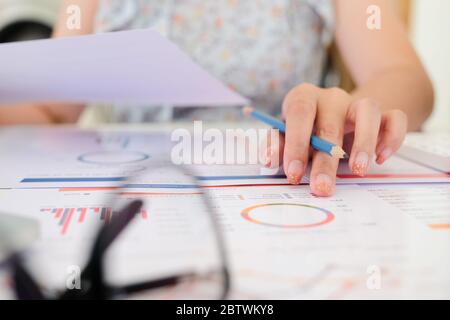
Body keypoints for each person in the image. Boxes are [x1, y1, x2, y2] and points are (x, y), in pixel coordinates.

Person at [0, 0, 434, 196]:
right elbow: (53, 106)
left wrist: (346, 112)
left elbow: (402, 76)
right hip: (141, 189)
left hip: (284, 184)